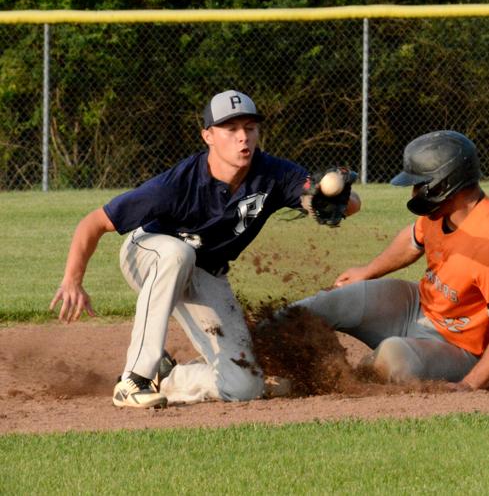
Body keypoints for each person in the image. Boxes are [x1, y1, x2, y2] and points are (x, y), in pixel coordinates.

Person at [50, 90, 361, 408]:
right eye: (231, 129)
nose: (243, 138)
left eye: (249, 128)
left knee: (244, 386)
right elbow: (94, 222)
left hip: (205, 270)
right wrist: (72, 280)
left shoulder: (274, 174)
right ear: (208, 136)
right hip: (148, 251)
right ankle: (134, 379)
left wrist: (336, 196)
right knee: (177, 254)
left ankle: (169, 377)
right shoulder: (178, 184)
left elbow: (342, 204)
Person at [292, 130, 489, 391]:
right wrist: (368, 271)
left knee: (392, 357)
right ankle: (254, 347)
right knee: (328, 302)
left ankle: (329, 380)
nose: (415, 192)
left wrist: (470, 385)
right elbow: (412, 240)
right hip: (416, 306)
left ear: (445, 184)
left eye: (420, 184)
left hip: (458, 346)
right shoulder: (442, 211)